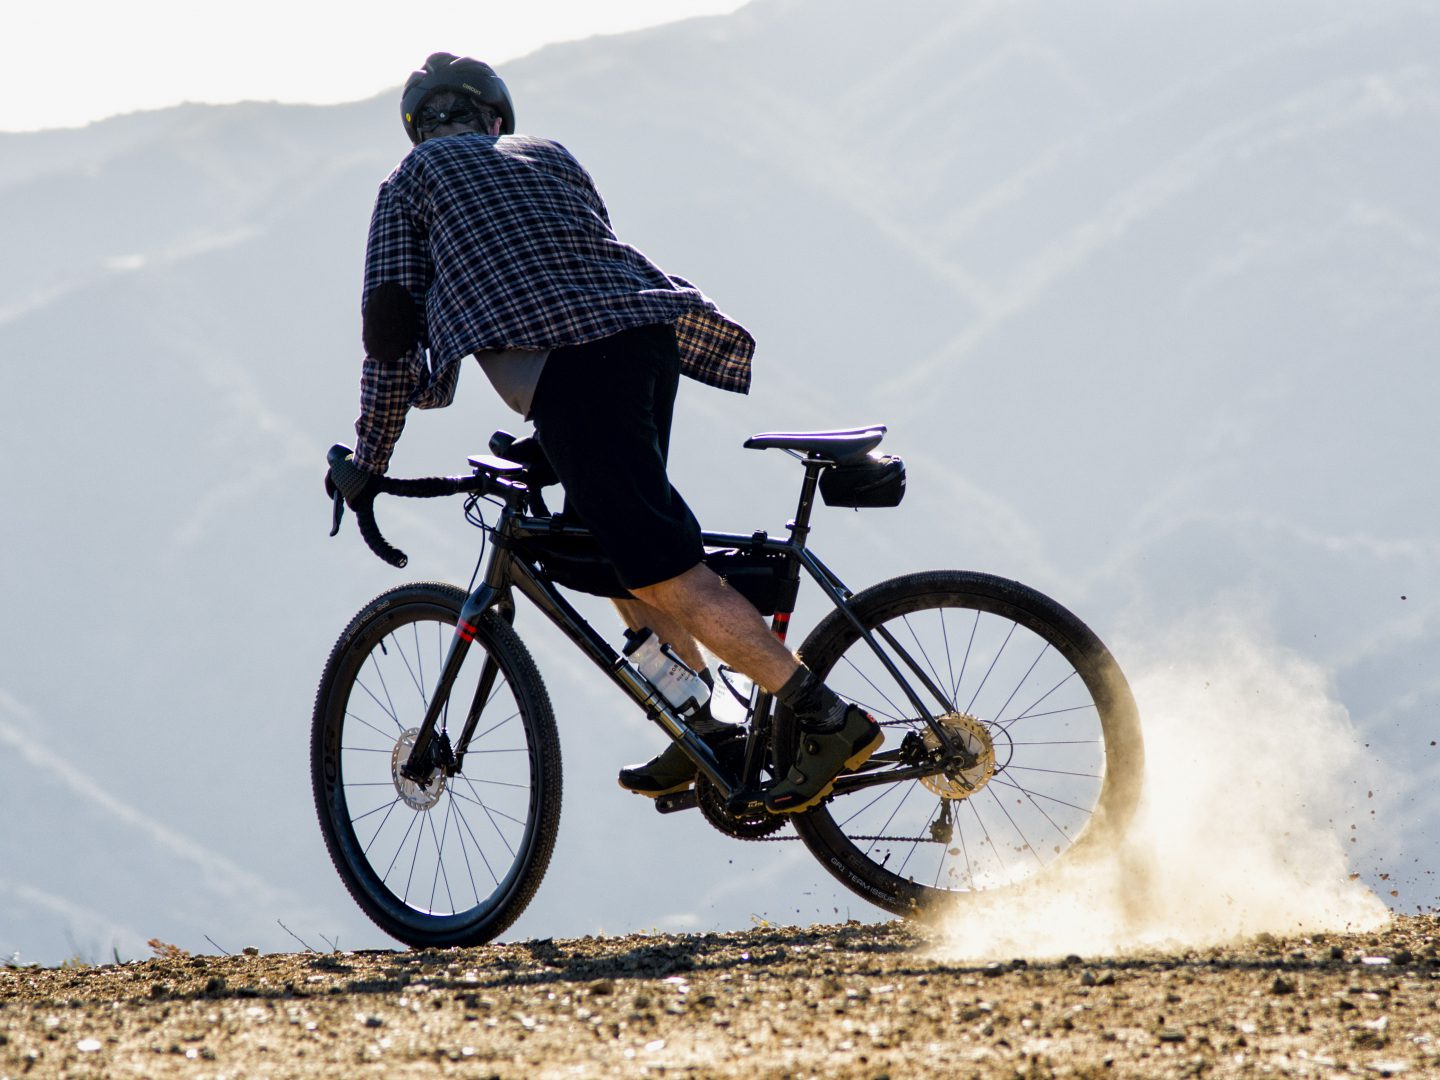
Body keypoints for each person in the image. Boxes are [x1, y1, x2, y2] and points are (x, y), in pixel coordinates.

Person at [326, 52, 880, 814]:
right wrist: (557, 439)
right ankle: (705, 730)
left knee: (661, 569)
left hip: (576, 372)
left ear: (418, 128)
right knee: (605, 552)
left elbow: (389, 336)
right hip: (645, 343)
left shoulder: (411, 180)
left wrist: (367, 460)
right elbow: (577, 267)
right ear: (494, 119)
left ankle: (823, 715)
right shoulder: (552, 156)